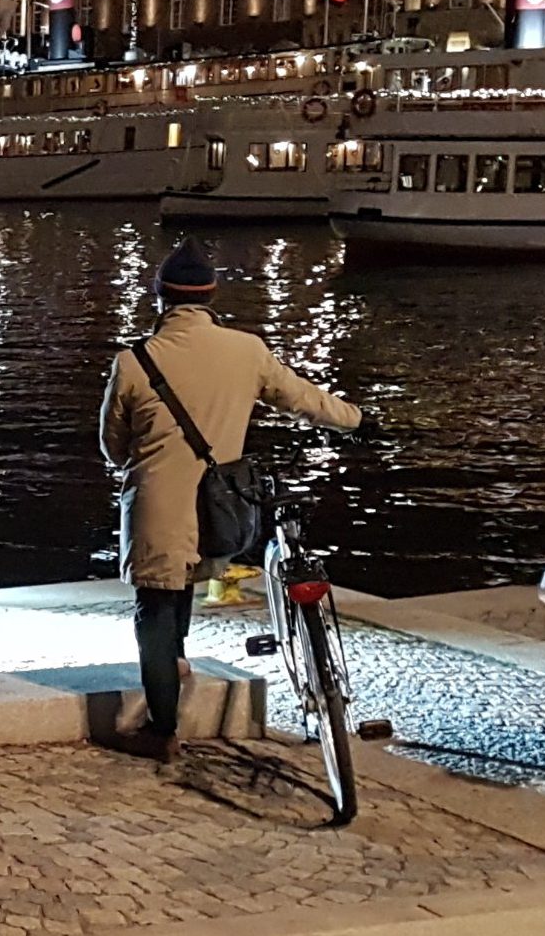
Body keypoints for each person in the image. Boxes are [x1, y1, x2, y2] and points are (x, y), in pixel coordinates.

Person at [98, 241, 360, 761]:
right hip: (223, 504)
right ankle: (177, 667)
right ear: (211, 296)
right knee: (185, 582)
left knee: (155, 606)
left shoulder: (134, 362)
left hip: (158, 502)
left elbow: (112, 445)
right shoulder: (248, 351)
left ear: (161, 297)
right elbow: (303, 400)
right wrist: (356, 419)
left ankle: (162, 730)